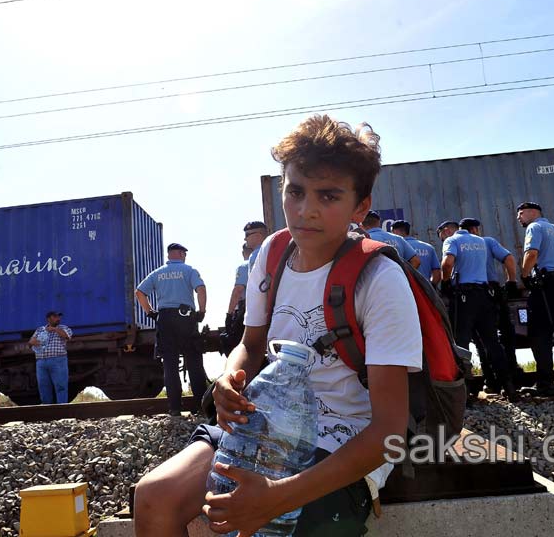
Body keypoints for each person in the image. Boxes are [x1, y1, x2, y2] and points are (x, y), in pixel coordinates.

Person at [133, 114, 422, 537]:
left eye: (328, 196)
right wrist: (230, 378)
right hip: (266, 422)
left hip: (343, 438)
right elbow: (251, 345)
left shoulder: (378, 279)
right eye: (296, 191)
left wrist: (277, 497)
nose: (306, 210)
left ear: (360, 207)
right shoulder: (272, 253)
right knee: (154, 496)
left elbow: (389, 431)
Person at [438, 220, 517, 399]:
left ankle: (465, 390)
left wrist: (445, 283)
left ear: (451, 230)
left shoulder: (452, 241)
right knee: (492, 342)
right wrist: (511, 281)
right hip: (484, 295)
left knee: (461, 342)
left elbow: (447, 263)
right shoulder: (481, 241)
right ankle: (508, 385)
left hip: (464, 296)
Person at [135, 243, 208, 415]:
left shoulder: (158, 273)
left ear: (169, 256)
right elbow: (201, 289)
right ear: (182, 254)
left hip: (165, 319)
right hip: (186, 318)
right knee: (194, 362)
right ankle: (201, 407)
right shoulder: (189, 270)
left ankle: (174, 408)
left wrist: (150, 312)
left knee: (170, 364)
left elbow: (139, 292)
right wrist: (202, 311)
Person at [517, 202, 554, 395]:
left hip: (545, 283)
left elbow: (532, 253)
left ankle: (545, 382)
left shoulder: (535, 227)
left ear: (533, 212)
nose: (519, 218)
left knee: (539, 332)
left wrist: (524, 276)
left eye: (521, 213)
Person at [459, 218, 521, 381]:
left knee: (479, 339)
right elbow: (508, 258)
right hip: (492, 290)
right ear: (474, 229)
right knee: (502, 334)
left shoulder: (459, 243)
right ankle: (510, 374)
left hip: (471, 293)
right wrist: (511, 280)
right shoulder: (487, 241)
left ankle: (489, 378)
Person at [28, 311, 74, 404]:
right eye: (55, 317)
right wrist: (36, 341)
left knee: (61, 386)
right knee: (43, 386)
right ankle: (47, 409)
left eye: (59, 317)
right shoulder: (40, 329)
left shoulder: (64, 328)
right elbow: (30, 342)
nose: (58, 318)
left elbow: (66, 336)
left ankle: (62, 408)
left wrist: (54, 329)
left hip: (58, 360)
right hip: (41, 362)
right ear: (49, 319)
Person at [222, 244, 253, 356]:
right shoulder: (266, 262)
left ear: (243, 252)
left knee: (234, 342)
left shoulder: (244, 266)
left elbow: (238, 291)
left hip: (247, 308)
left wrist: (229, 315)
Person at [390, 220, 440, 285]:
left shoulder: (397, 248)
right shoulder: (428, 247)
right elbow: (437, 272)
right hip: (425, 289)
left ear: (395, 231)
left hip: (406, 287)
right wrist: (431, 287)